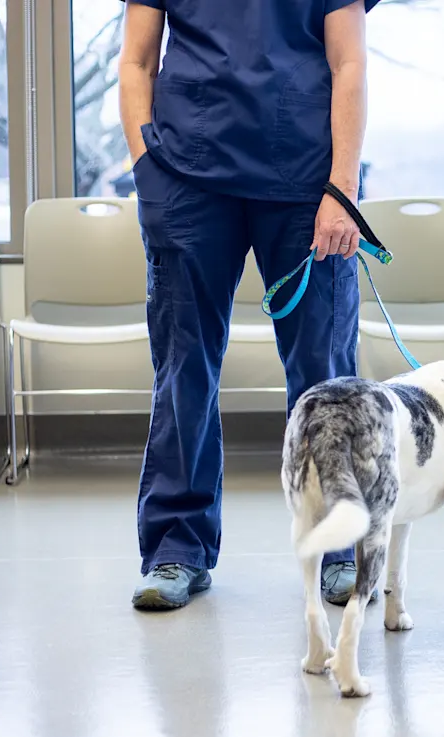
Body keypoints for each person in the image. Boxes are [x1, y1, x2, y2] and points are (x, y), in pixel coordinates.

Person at [118, 0, 379, 610]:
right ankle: (176, 548)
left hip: (305, 182)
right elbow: (135, 60)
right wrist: (146, 170)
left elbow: (350, 63)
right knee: (185, 367)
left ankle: (339, 548)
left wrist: (343, 187)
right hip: (188, 174)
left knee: (325, 375)